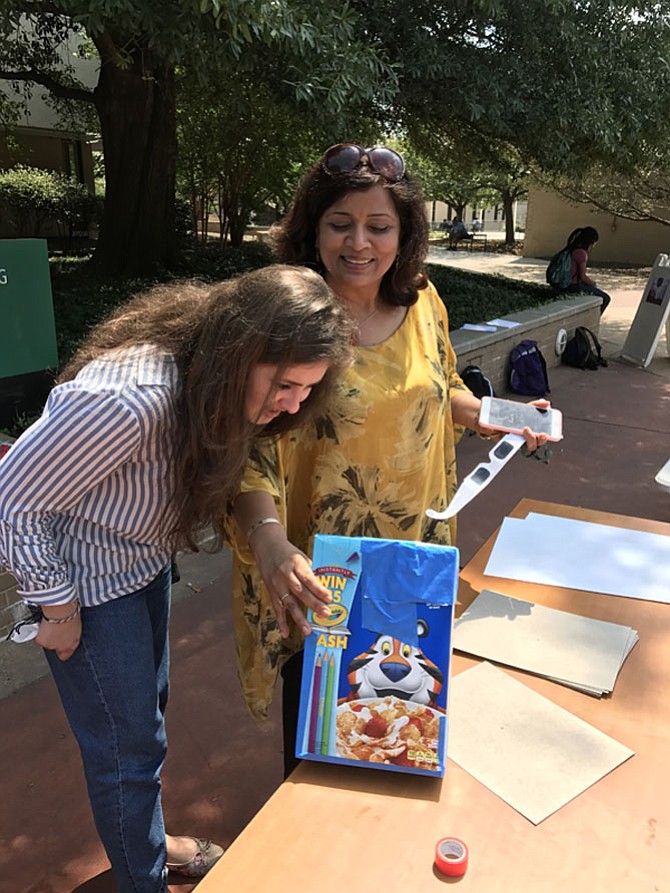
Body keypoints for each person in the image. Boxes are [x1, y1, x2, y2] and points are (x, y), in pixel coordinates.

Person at [0, 265, 354, 893]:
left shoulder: (212, 376)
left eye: (308, 389)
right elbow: (14, 498)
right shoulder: (131, 402)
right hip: (87, 592)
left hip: (142, 566)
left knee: (144, 727)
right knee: (124, 751)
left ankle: (147, 845)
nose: (293, 404)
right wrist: (56, 610)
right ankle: (143, 878)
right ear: (241, 351)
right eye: (286, 384)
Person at [226, 143, 549, 777]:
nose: (359, 243)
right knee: (322, 725)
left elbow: (442, 382)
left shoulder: (423, 300)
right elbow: (246, 444)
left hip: (414, 545)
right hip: (321, 561)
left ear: (404, 235)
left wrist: (487, 413)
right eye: (340, 224)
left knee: (401, 716)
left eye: (379, 227)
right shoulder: (284, 315)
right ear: (311, 229)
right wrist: (266, 542)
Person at [563, 226, 611, 314]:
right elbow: (583, 277)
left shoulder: (569, 250)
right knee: (605, 298)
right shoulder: (581, 253)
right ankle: (596, 318)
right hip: (572, 285)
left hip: (563, 282)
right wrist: (594, 283)